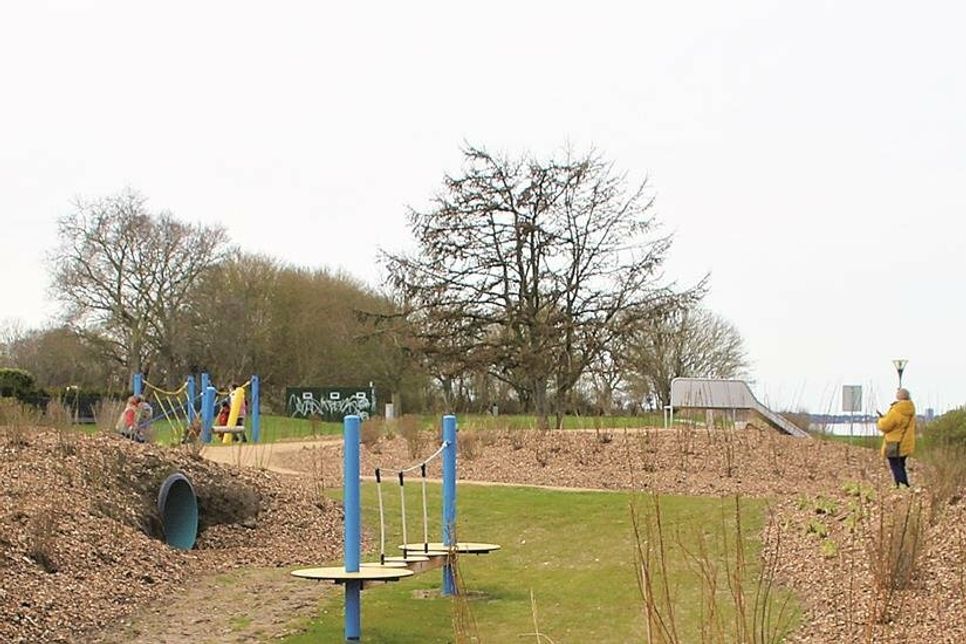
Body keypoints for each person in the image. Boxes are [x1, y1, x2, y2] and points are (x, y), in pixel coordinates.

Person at [876, 388, 916, 487]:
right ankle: (904, 485)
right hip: (906, 442)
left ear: (899, 396)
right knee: (901, 464)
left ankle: (901, 485)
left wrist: (881, 419)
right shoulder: (910, 409)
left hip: (894, 442)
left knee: (895, 464)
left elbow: (885, 425)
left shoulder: (896, 410)